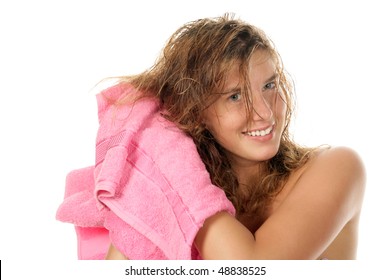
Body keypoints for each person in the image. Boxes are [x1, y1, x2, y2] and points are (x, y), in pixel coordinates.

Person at [57, 14, 365, 260]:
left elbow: (254, 268)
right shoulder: (168, 198)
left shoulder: (337, 168)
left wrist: (164, 157)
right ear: (196, 111)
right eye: (234, 96)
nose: (265, 114)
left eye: (270, 85)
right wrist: (160, 156)